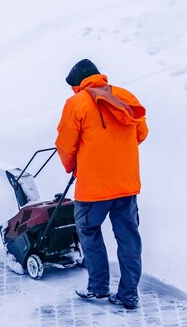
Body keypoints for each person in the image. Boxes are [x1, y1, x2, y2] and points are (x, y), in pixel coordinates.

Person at [55, 59, 148, 309]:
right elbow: (141, 133)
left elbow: (65, 145)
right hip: (127, 184)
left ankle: (98, 288)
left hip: (93, 188)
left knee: (89, 232)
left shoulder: (76, 103)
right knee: (129, 238)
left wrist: (74, 166)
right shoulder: (125, 96)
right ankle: (129, 294)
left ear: (78, 84)